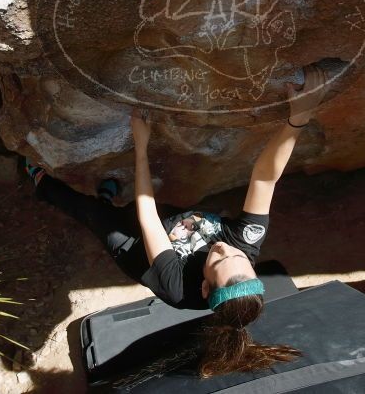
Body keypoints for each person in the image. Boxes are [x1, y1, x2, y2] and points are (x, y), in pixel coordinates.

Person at [27, 64, 327, 377]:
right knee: (121, 208)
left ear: (203, 286)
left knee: (93, 215)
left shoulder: (177, 288)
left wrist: (140, 145)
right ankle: (106, 198)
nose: (225, 247)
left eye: (217, 260)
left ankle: (41, 183)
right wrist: (298, 120)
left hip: (137, 249)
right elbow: (265, 180)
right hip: (170, 224)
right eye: (239, 257)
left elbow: (148, 219)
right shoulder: (244, 243)